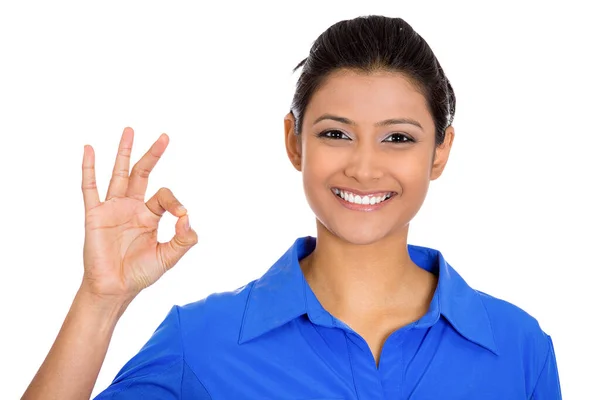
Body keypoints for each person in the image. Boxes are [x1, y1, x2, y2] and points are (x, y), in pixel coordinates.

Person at [22, 15, 561, 399]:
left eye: (398, 138)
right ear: (295, 142)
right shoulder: (203, 341)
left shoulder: (520, 349)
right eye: (336, 133)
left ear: (440, 151)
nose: (365, 168)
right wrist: (100, 299)